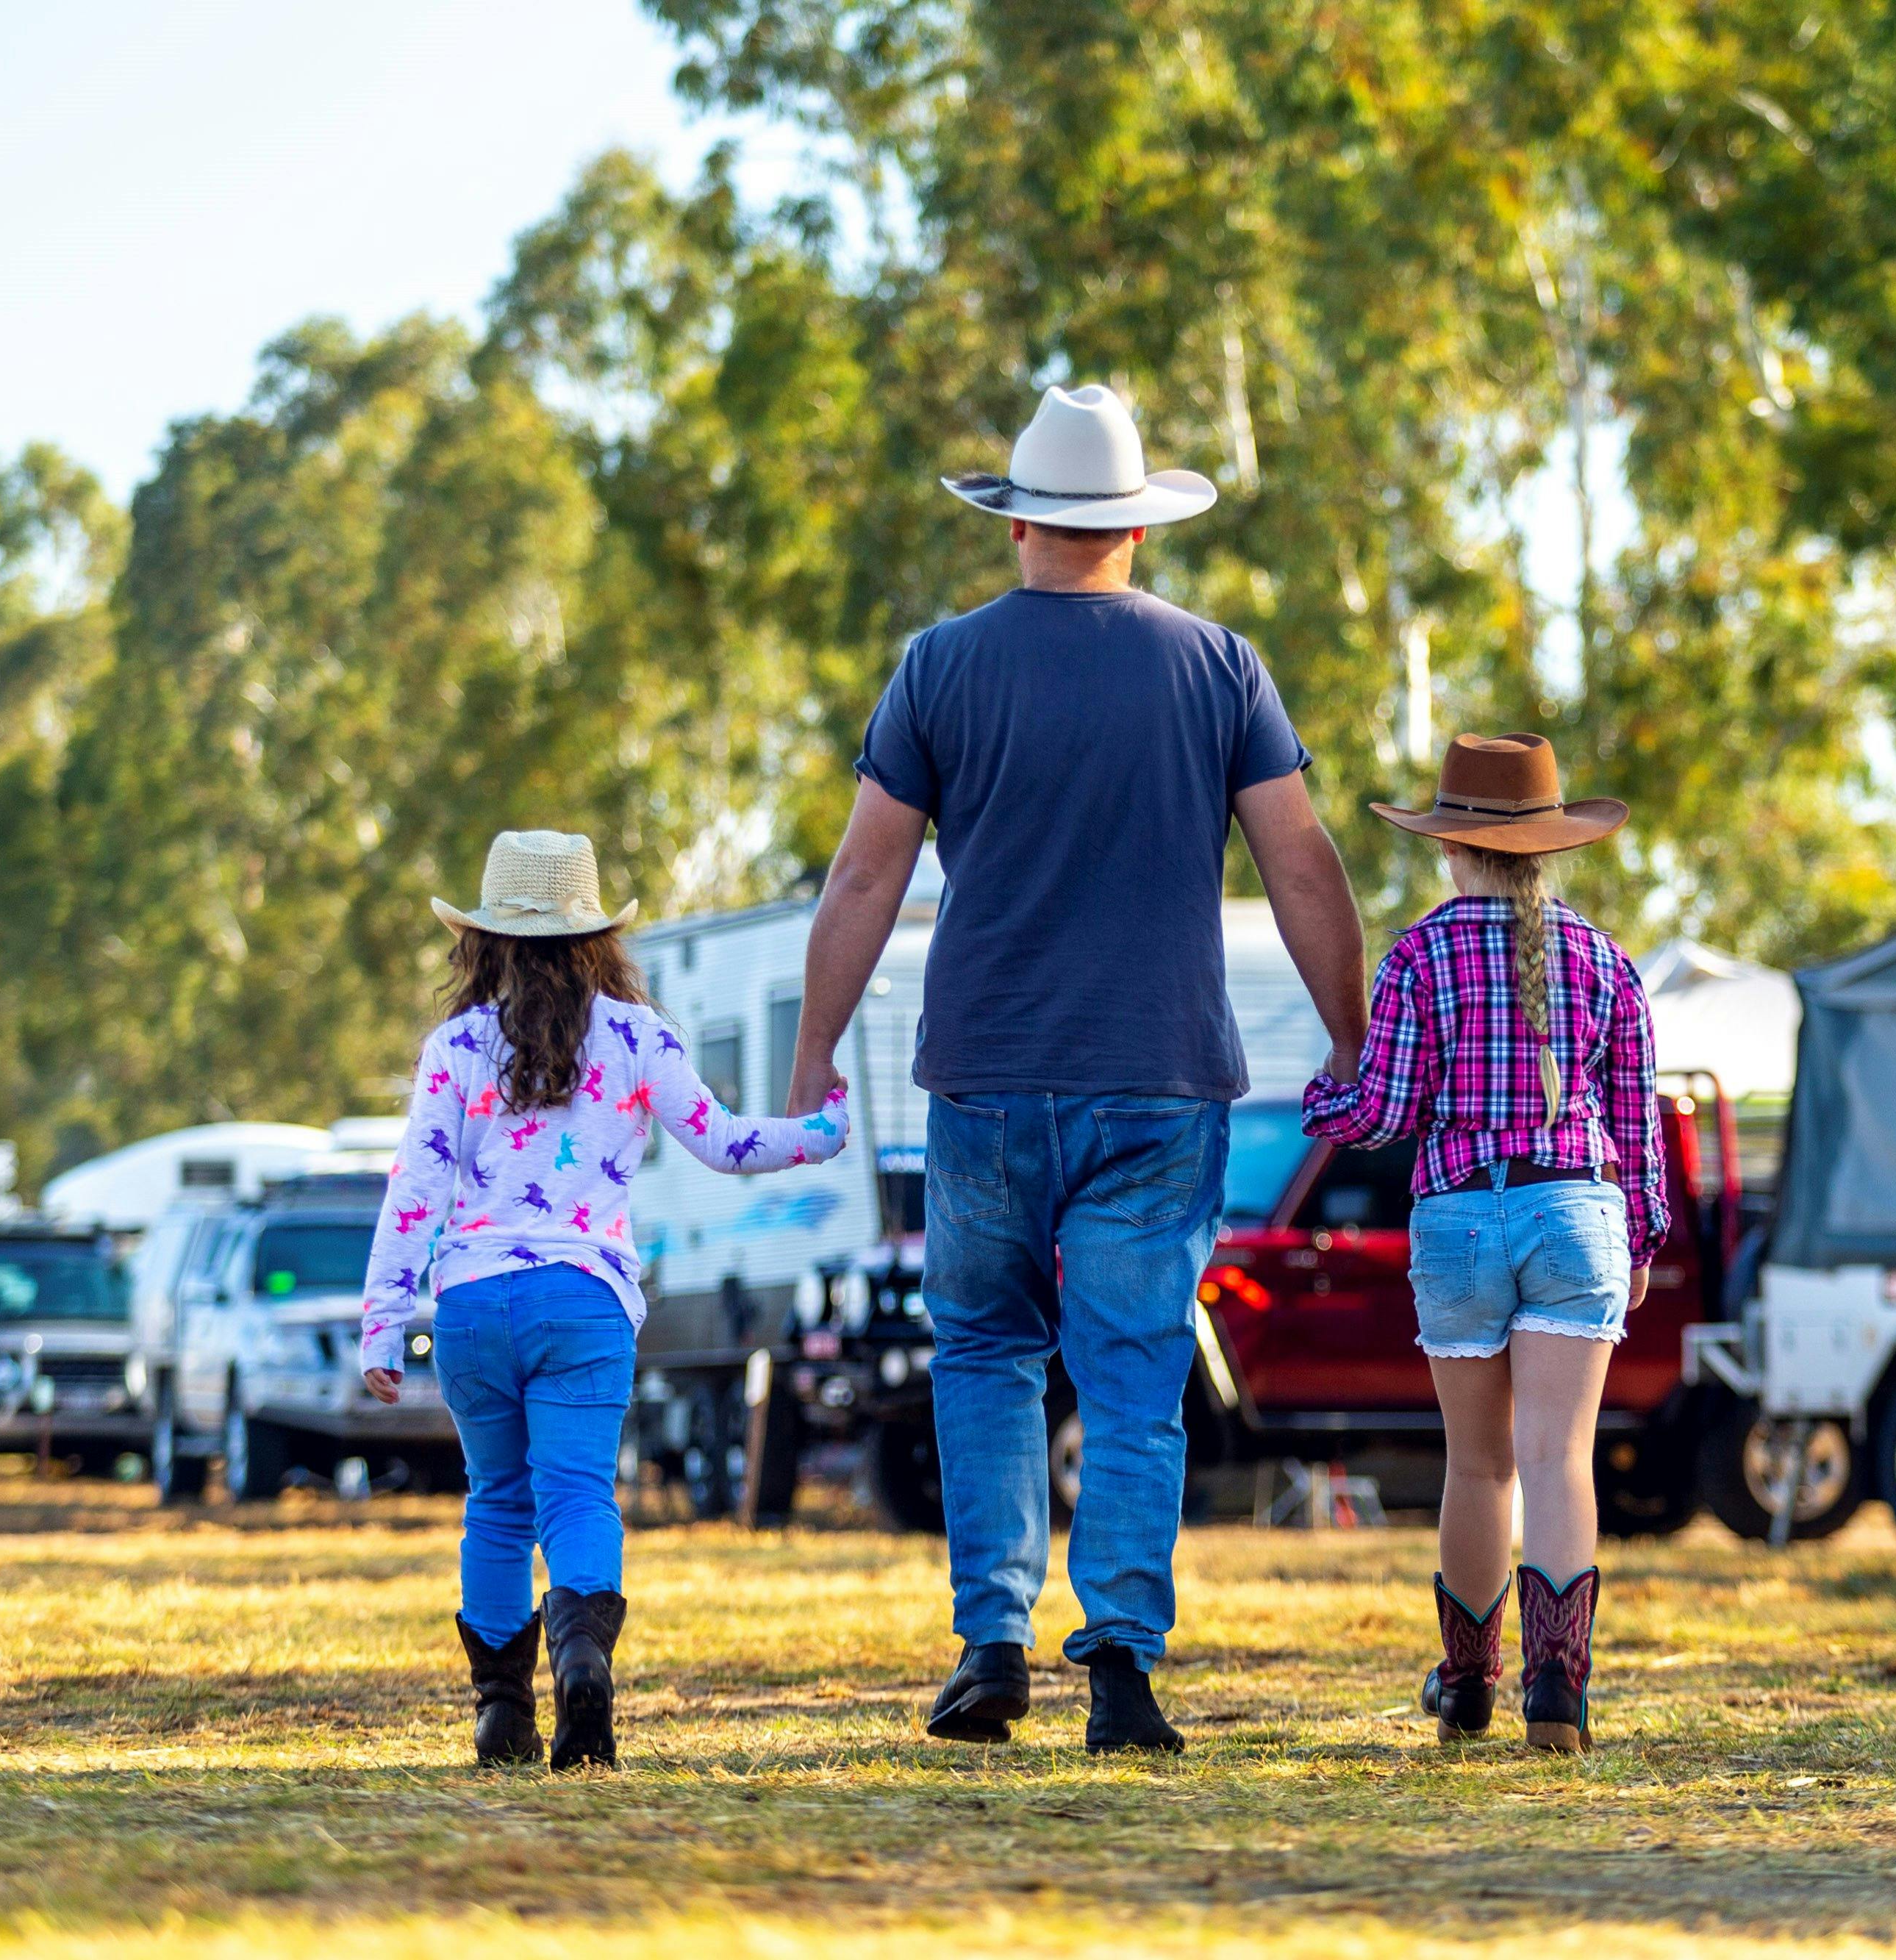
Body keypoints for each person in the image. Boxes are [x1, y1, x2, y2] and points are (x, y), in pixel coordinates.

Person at [785, 383, 1368, 1753]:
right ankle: (1119, 1662)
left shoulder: (940, 665)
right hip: (1162, 1076)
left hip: (985, 1073)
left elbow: (865, 874)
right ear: (1136, 532)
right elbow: (1303, 865)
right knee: (1132, 1371)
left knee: (985, 1353)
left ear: (1017, 526)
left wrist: (814, 1056)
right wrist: (1349, 1039)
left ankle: (990, 1644)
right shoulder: (1220, 668)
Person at [359, 829, 848, 1769]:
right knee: (578, 1493)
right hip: (582, 1300)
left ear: (487, 940)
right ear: (594, 936)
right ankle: (582, 1660)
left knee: (497, 1502)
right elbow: (727, 1144)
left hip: (471, 1304)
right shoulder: (636, 1034)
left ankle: (503, 1712)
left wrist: (384, 1316)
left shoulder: (455, 1046)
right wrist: (819, 1135)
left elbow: (413, 1187)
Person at [1302, 733, 1666, 1753]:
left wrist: (1322, 1095)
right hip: (1575, 1213)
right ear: (1549, 849)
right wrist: (1641, 1236)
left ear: (1453, 847)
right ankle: (1559, 1689)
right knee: (1561, 1459)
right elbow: (1635, 1124)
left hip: (1459, 1215)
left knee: (1479, 1468)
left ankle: (1465, 1686)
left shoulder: (1418, 954)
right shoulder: (1606, 959)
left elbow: (1379, 1114)